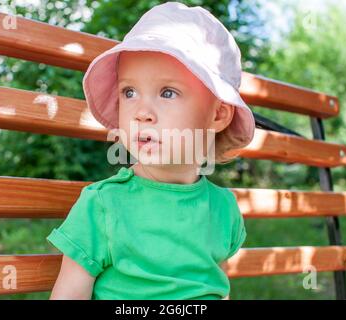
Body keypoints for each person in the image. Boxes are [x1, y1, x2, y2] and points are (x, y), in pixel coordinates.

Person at [46, 1, 255, 300]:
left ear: (218, 115)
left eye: (168, 92)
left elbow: (215, 289)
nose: (141, 112)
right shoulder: (104, 205)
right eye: (129, 92)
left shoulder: (223, 209)